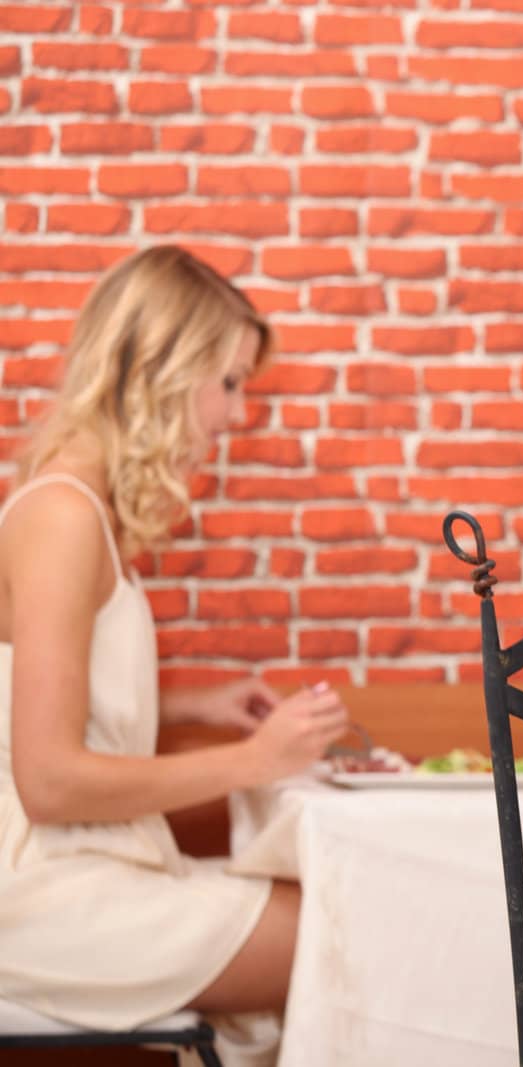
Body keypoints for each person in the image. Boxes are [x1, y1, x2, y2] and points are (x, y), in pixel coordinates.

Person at [0, 246, 349, 1059]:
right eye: (227, 383)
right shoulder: (63, 514)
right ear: (162, 368)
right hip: (41, 889)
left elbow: (45, 695)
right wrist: (255, 759)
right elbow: (48, 781)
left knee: (343, 909)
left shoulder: (80, 505)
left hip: (86, 865)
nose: (234, 412)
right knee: (345, 930)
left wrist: (198, 706)